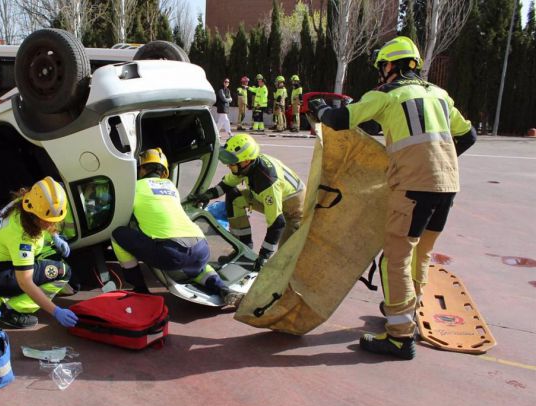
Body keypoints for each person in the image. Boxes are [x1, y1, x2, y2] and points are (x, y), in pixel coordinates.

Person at [308, 36, 477, 360]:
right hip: (448, 185)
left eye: (382, 66)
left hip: (414, 189)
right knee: (420, 254)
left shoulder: (388, 95)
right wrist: (437, 162)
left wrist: (321, 109)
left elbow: (340, 120)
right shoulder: (439, 95)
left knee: (395, 258)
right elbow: (468, 135)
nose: (380, 72)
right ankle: (405, 313)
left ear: (392, 65)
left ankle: (400, 336)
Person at [111, 148, 244, 306]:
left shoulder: (135, 187)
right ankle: (223, 289)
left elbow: (121, 212)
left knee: (118, 235)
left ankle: (139, 289)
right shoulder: (170, 186)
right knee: (198, 269)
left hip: (170, 252)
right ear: (164, 172)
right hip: (201, 247)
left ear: (142, 168)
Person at [0, 177, 78, 329]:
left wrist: (55, 237)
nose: (53, 223)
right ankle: (13, 311)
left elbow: (42, 221)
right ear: (36, 215)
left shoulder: (24, 202)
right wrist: (56, 311)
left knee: (52, 254)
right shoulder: (23, 238)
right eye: (49, 220)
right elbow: (25, 282)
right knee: (62, 271)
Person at [190, 134, 305, 272]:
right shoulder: (248, 165)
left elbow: (277, 223)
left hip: (293, 208)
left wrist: (263, 256)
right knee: (234, 197)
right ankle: (244, 248)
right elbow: (227, 184)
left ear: (245, 161)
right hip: (267, 196)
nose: (228, 165)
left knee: (284, 261)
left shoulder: (267, 181)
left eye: (231, 163)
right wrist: (208, 195)